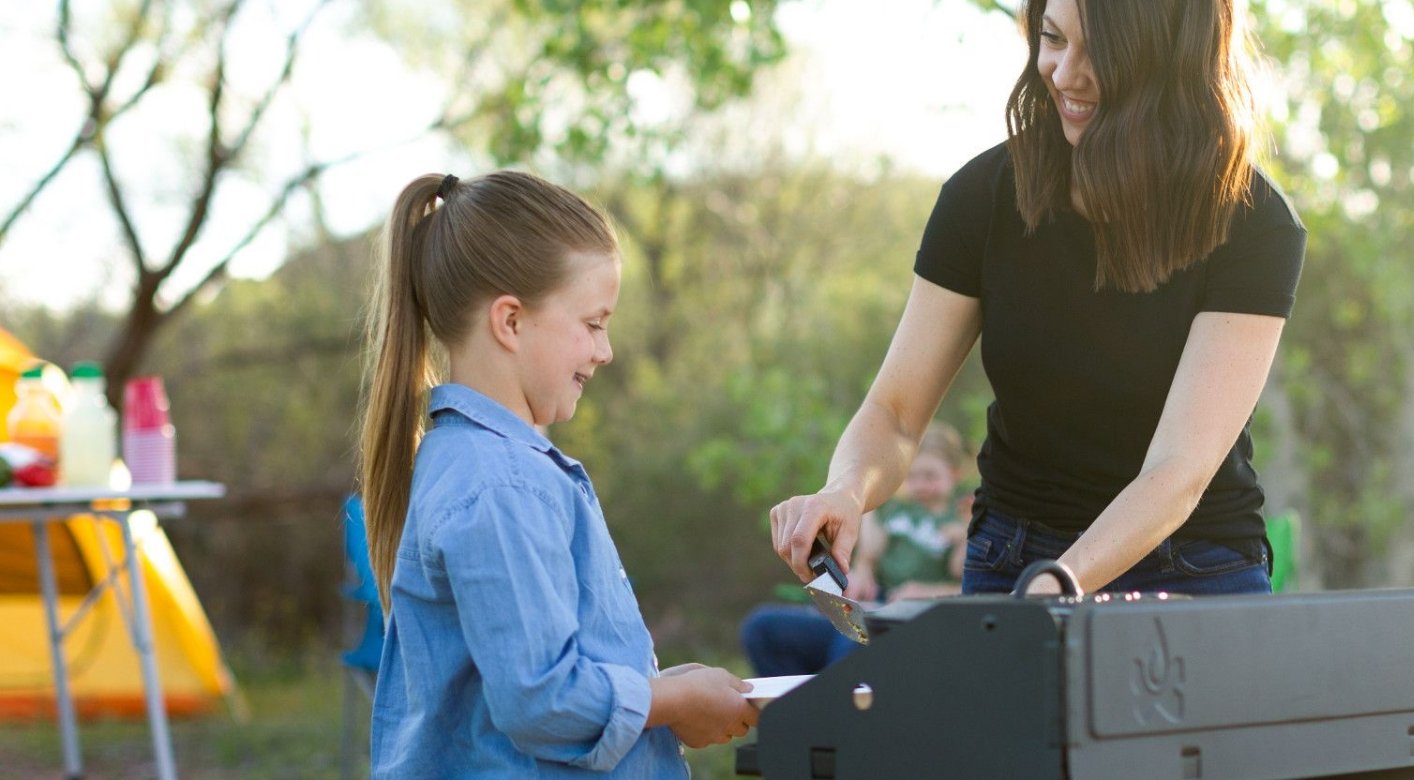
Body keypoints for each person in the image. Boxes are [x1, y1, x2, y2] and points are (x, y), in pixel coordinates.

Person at [769, 0, 1306, 598]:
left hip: (1193, 567)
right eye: (1053, 39)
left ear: (1171, 60)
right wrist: (844, 490)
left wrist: (1058, 585)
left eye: (1099, 52)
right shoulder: (982, 197)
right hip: (1011, 556)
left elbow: (1177, 471)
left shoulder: (1254, 224)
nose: (1065, 73)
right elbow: (894, 414)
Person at [359, 171, 756, 778]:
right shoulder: (499, 485)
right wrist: (672, 700)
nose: (606, 350)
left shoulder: (479, 465)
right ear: (510, 322)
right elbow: (541, 699)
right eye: (594, 323)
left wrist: (664, 691)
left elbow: (538, 673)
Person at [740, 423, 969, 677]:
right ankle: (797, 708)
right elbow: (867, 559)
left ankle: (827, 708)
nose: (920, 485)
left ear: (954, 473)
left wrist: (929, 587)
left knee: (859, 636)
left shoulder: (965, 516)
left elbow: (970, 582)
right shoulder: (891, 509)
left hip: (914, 626)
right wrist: (861, 572)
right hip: (873, 609)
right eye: (912, 477)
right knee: (762, 629)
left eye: (930, 476)